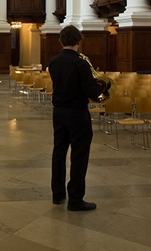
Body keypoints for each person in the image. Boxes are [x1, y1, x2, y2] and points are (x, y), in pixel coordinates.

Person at [49, 25, 106, 211]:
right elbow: (91, 92)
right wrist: (100, 86)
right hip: (77, 113)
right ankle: (75, 199)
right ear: (78, 42)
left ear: (61, 41)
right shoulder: (81, 63)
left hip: (58, 113)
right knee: (79, 156)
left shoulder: (54, 62)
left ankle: (57, 195)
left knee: (59, 152)